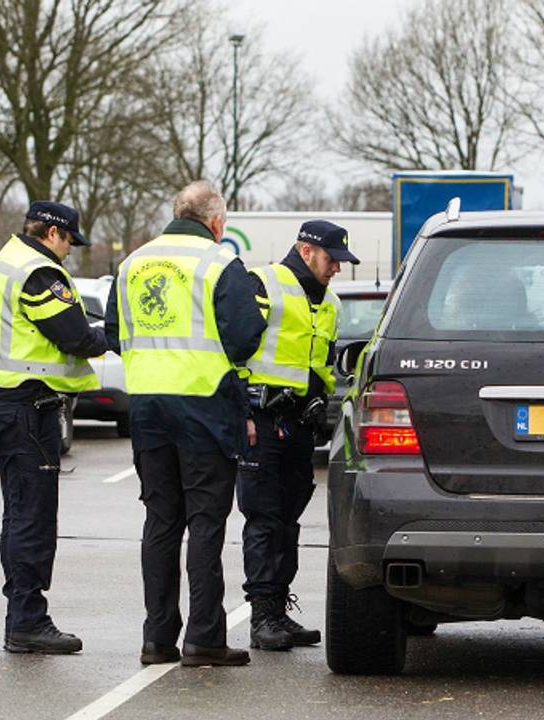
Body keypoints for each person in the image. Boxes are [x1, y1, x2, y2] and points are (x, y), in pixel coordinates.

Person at [105, 181, 265, 667]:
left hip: (149, 408)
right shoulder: (218, 263)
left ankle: (157, 639)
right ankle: (204, 638)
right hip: (204, 408)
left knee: (160, 522)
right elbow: (246, 335)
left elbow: (113, 332)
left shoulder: (132, 263)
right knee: (206, 525)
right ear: (216, 222)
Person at [0, 201, 108, 654]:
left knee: (17, 515)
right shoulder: (38, 273)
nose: (70, 250)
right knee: (32, 519)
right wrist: (119, 332)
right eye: (70, 240)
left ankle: (22, 616)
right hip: (27, 409)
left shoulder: (3, 263)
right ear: (54, 234)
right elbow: (77, 337)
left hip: (4, 404)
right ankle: (27, 621)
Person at [239, 219, 357, 651]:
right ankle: (262, 615)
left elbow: (322, 365)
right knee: (264, 517)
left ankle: (278, 610)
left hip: (300, 424)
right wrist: (242, 409)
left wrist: (324, 408)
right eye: (332, 260)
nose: (337, 269)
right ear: (307, 251)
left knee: (288, 519)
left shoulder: (329, 302)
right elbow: (234, 347)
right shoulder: (264, 284)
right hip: (263, 419)